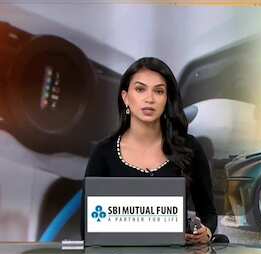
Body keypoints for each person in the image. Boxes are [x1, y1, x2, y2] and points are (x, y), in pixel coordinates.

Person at [82, 57, 217, 244]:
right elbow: (87, 229)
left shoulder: (189, 148)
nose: (149, 99)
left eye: (159, 91)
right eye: (140, 89)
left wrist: (206, 232)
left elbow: (208, 213)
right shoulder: (103, 153)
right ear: (125, 97)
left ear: (167, 99)